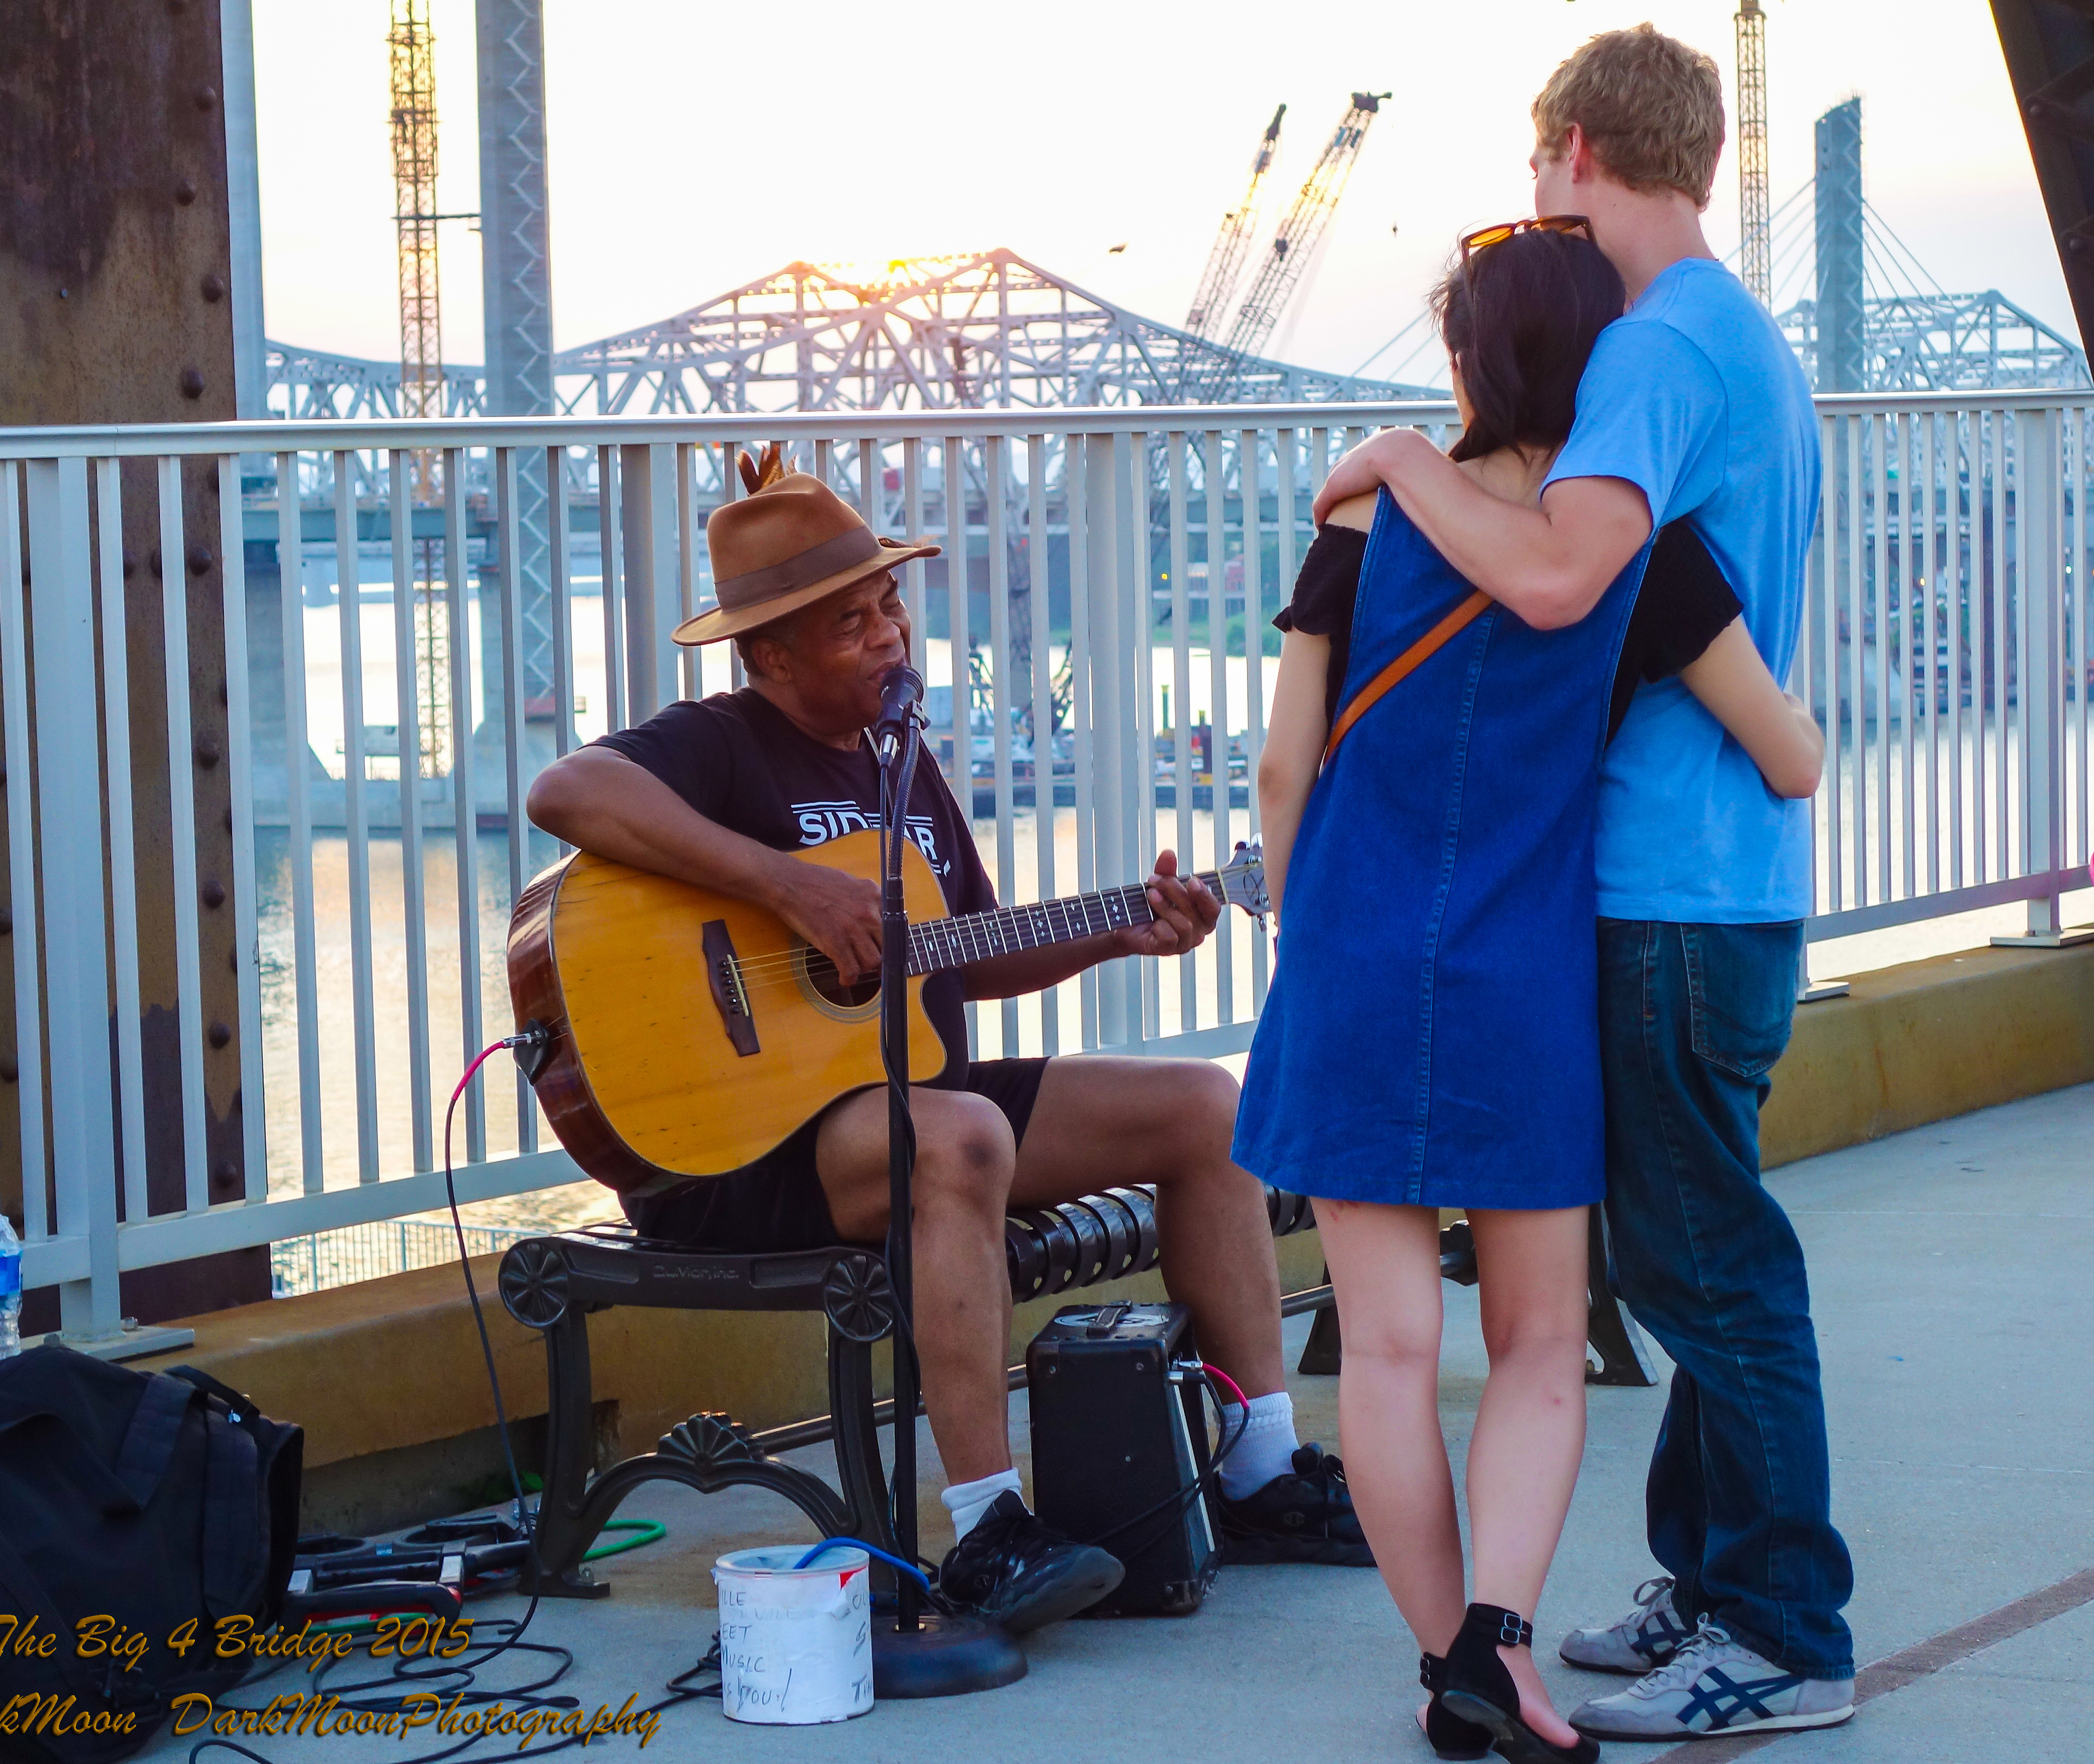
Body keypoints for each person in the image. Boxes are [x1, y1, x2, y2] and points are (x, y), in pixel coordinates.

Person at [524, 448, 1367, 1641]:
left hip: (902, 1111)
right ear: (765, 655)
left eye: (888, 606)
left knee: (1202, 1104)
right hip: (736, 1151)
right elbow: (565, 790)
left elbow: (959, 948)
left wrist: (1118, 934)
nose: (887, 637)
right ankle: (984, 1527)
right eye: (848, 623)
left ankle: (1256, 1473)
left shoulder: (898, 753)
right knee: (960, 1131)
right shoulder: (719, 744)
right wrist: (785, 889)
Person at [1313, 24, 1858, 1746]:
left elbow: (1558, 583)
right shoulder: (1736, 340)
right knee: (1689, 1257)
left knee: (1711, 1278)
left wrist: (1401, 464)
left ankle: (1780, 1632)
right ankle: (1705, 1582)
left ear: (1568, 152)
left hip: (1663, 884)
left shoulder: (1646, 356)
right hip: (1727, 870)